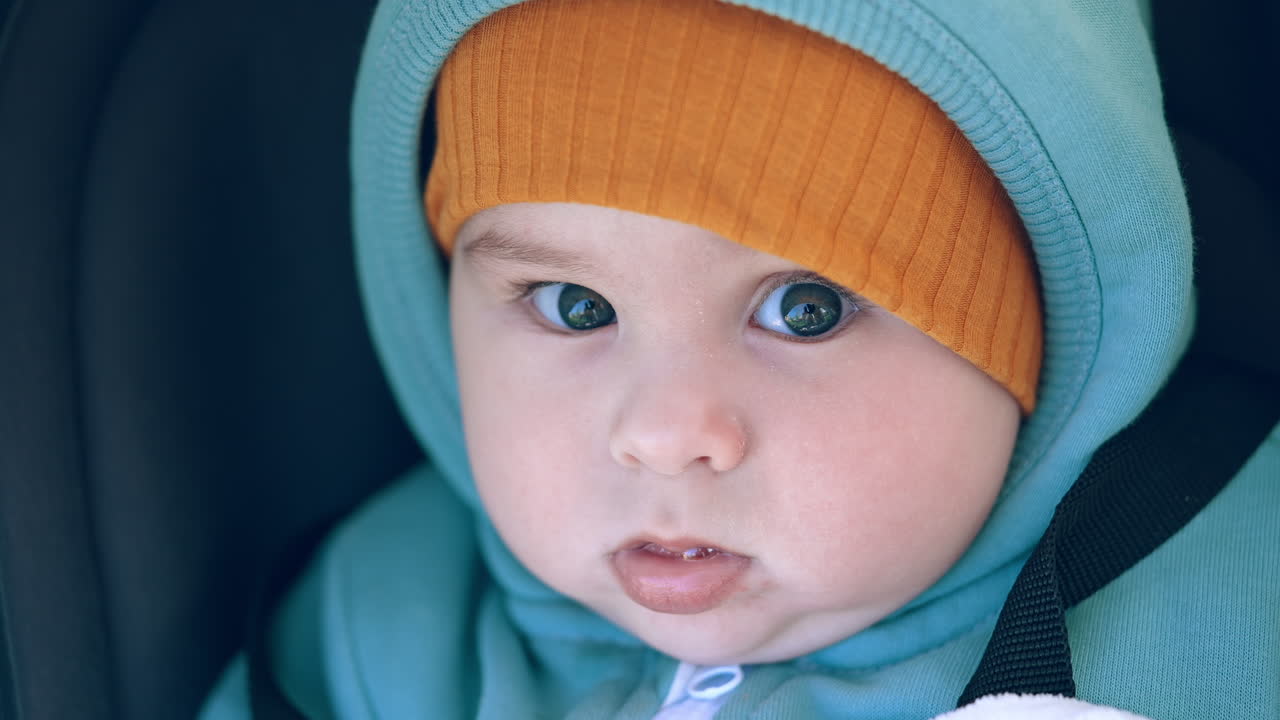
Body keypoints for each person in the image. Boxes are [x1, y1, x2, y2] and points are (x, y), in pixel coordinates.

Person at [201, 0, 1280, 718]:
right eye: (574, 306)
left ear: (1047, 336)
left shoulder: (1218, 629)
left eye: (804, 309)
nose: (665, 433)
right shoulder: (369, 636)